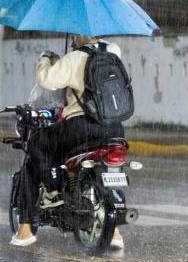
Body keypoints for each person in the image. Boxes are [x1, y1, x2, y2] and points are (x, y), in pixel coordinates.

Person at [10, 34, 126, 249]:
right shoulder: (114, 54)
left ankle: (33, 218)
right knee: (110, 171)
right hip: (114, 128)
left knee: (36, 144)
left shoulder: (76, 57)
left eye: (75, 35)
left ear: (82, 34)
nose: (73, 39)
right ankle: (115, 232)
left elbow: (46, 79)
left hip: (81, 127)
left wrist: (46, 58)